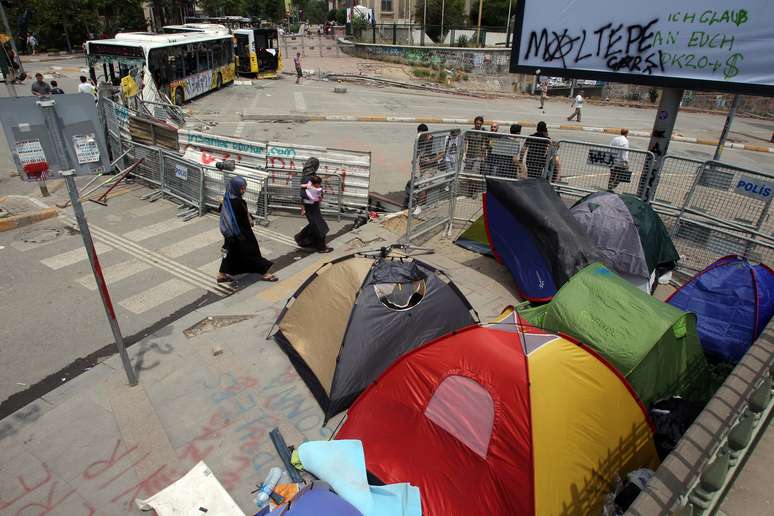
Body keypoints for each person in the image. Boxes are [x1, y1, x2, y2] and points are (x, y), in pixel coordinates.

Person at [217, 176, 277, 283]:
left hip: (230, 234)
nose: (244, 191)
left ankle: (221, 275)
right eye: (242, 188)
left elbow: (222, 211)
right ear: (236, 188)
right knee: (252, 253)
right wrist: (251, 221)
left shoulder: (227, 198)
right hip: (241, 234)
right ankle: (265, 273)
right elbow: (243, 219)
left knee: (230, 253)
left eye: (244, 188)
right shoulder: (238, 202)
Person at [296, 174, 333, 253]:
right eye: (318, 184)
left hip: (312, 209)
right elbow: (304, 196)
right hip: (311, 209)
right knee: (319, 228)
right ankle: (321, 247)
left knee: (316, 226)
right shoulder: (310, 189)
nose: (319, 185)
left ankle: (301, 238)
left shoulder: (309, 185)